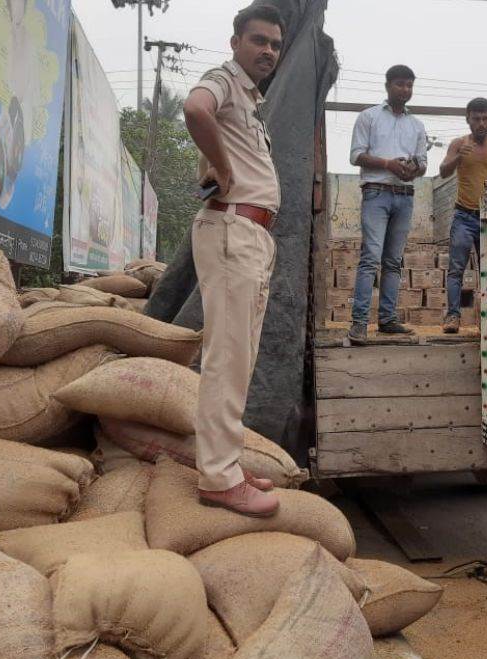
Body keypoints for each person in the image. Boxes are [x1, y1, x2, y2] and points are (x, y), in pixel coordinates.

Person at [180, 5, 284, 517]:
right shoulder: (222, 79)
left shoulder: (249, 101)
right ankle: (219, 478)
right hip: (231, 229)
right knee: (227, 356)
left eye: (275, 44)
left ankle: (227, 464)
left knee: (238, 356)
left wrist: (221, 166)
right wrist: (222, 170)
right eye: (258, 40)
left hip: (248, 234)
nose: (268, 50)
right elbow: (195, 109)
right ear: (235, 42)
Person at [347, 64, 428, 345]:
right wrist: (387, 164)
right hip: (376, 193)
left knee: (393, 261)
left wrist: (412, 169)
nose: (405, 89)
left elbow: (423, 163)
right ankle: (359, 323)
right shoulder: (368, 117)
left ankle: (387, 320)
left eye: (409, 85)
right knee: (371, 257)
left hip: (405, 195)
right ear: (387, 86)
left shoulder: (416, 125)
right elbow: (356, 156)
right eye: (400, 84)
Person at [438, 97, 487, 333]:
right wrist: (458, 157)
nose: (481, 123)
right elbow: (443, 172)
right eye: (476, 119)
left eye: (485, 118)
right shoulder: (459, 144)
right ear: (468, 119)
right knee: (456, 269)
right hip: (464, 216)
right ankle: (453, 317)